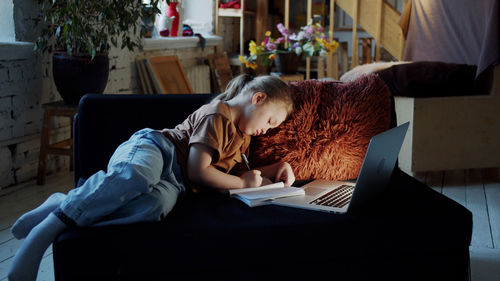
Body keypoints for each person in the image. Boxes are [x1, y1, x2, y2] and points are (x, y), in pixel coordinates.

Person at [7, 74, 296, 281]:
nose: (267, 131)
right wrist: (245, 183)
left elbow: (235, 175)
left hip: (175, 183)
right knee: (136, 179)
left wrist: (276, 169)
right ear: (258, 98)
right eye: (270, 121)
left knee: (154, 207)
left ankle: (67, 201)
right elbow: (200, 171)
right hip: (157, 148)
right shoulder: (217, 116)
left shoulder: (243, 138)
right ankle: (46, 231)